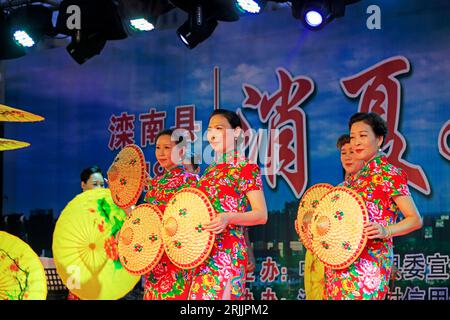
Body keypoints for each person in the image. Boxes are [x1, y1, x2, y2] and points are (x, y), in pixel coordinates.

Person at [324, 112, 423, 300]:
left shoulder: (389, 174)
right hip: (339, 265)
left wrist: (385, 230)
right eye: (353, 137)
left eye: (363, 136)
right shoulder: (350, 182)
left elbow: (415, 220)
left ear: (379, 139)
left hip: (369, 265)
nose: (356, 142)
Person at [188, 108, 268, 300]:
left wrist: (228, 217)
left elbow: (261, 214)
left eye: (219, 128)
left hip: (227, 254)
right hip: (203, 254)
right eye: (210, 129)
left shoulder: (245, 167)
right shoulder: (209, 173)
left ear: (237, 133)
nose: (213, 133)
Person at [142, 129, 199, 300]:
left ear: (181, 151)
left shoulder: (191, 181)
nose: (161, 153)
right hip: (156, 257)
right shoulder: (155, 184)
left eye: (167, 147)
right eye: (158, 148)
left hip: (179, 256)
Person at [68, 165, 105, 300]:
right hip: (80, 267)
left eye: (102, 184)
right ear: (83, 185)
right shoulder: (75, 210)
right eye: (95, 184)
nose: (100, 188)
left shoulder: (106, 210)